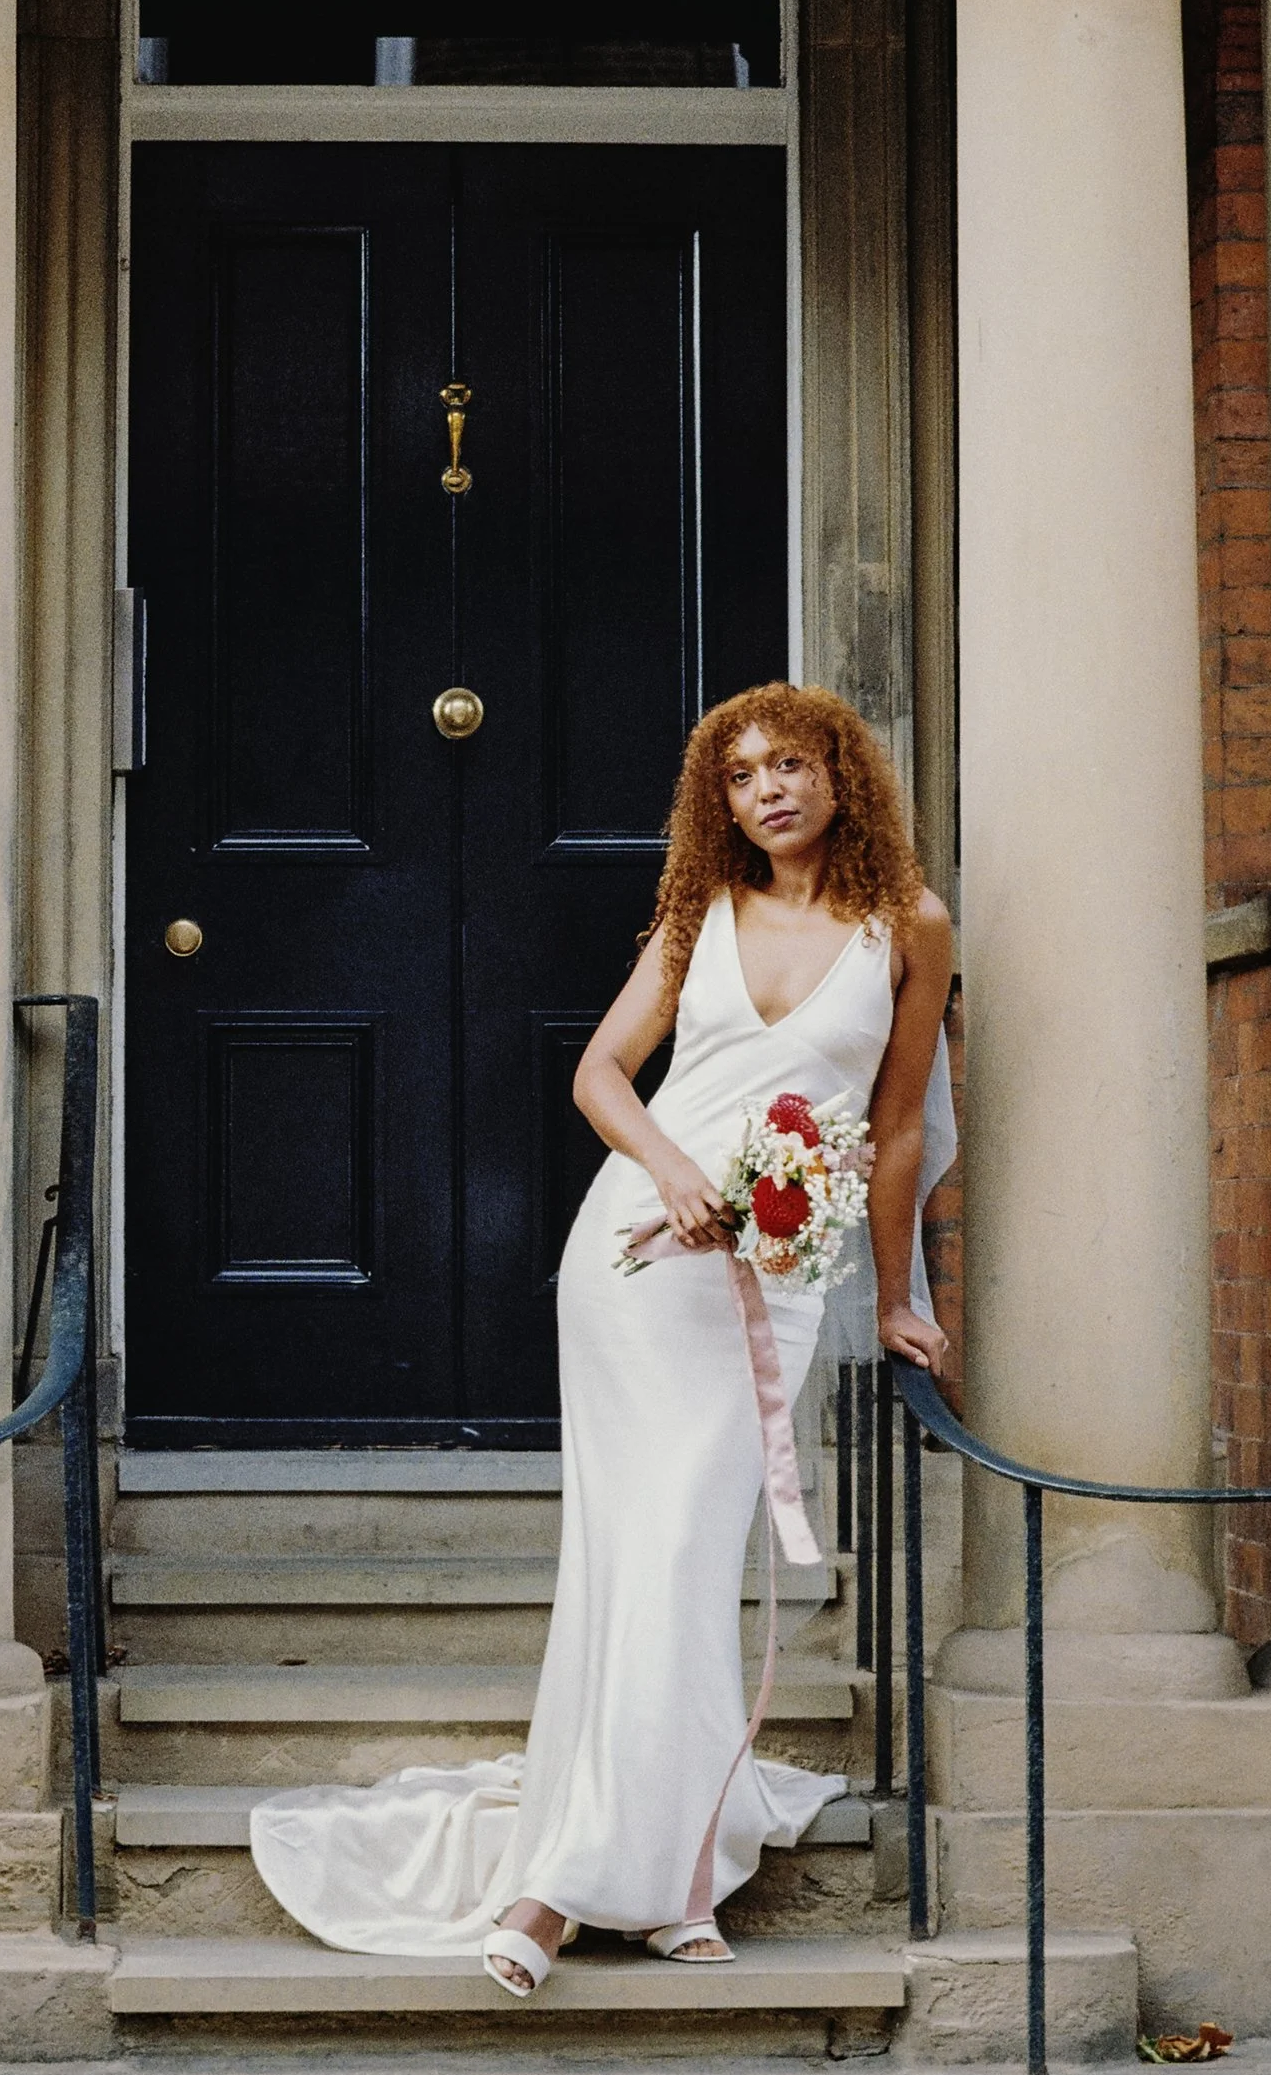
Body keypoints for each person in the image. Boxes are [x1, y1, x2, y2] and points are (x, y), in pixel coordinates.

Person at [249, 682, 956, 1990]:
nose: (771, 790)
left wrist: (903, 1291)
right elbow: (598, 1072)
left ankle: (665, 1861)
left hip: (781, 1266)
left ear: (842, 774)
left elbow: (900, 1125)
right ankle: (571, 1885)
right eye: (743, 776)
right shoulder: (703, 915)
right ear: (720, 801)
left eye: (793, 764)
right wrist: (679, 1172)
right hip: (641, 1252)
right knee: (634, 1558)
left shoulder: (911, 925)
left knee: (690, 1556)